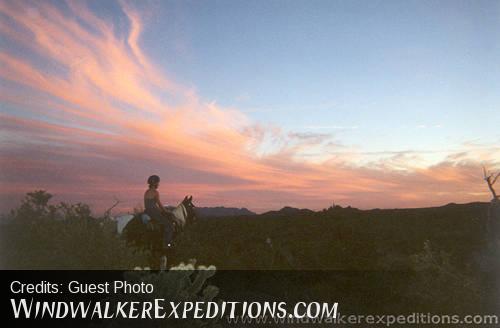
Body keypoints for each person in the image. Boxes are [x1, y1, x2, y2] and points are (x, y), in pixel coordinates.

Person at [144, 175, 174, 250]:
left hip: (147, 211)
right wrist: (167, 211)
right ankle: (167, 244)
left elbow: (147, 205)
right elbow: (160, 205)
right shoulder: (155, 192)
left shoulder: (146, 192)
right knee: (169, 225)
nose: (158, 184)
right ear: (155, 183)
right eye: (158, 183)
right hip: (154, 212)